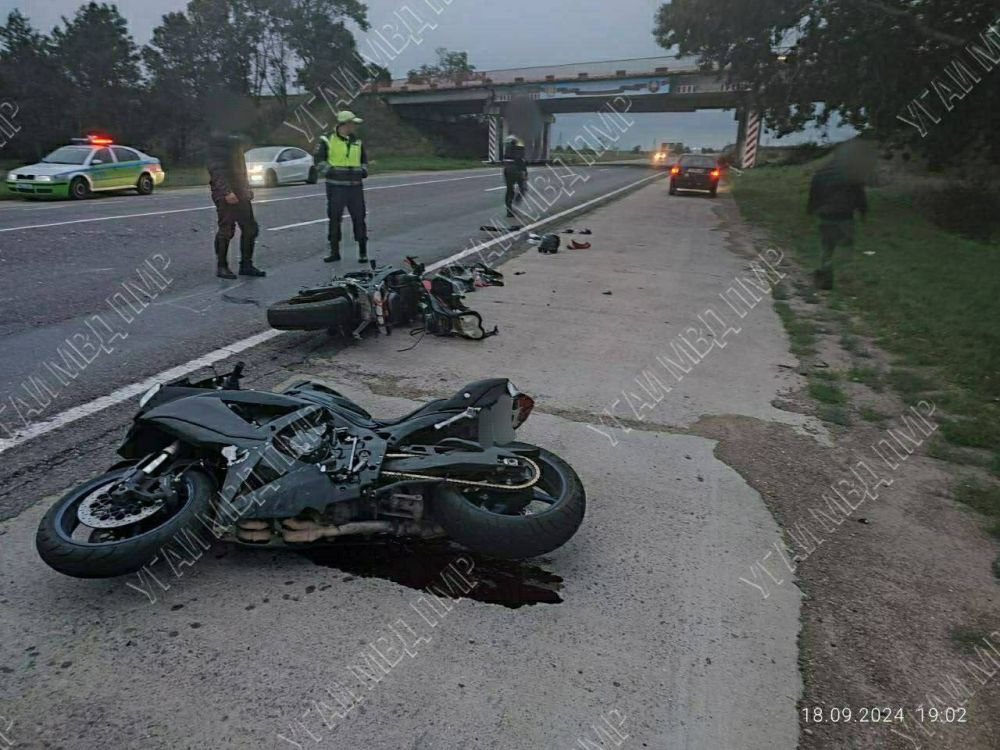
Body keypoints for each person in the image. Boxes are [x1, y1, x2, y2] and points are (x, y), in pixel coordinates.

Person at [806, 141, 872, 290]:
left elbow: (814, 194)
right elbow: (860, 195)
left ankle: (826, 275)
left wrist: (811, 211)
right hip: (845, 216)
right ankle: (844, 280)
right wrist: (863, 212)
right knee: (845, 247)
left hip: (826, 216)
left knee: (826, 248)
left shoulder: (821, 172)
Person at [208, 131, 265, 279]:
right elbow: (216, 170)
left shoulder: (236, 140)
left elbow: (240, 169)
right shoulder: (219, 139)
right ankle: (222, 266)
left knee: (250, 228)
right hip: (226, 193)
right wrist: (227, 192)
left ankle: (246, 264)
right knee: (226, 230)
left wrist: (246, 188)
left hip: (240, 191)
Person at [315, 111, 369, 263]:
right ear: (344, 124)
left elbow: (364, 159)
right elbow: (319, 161)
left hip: (355, 187)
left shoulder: (357, 141)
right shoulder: (326, 139)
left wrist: (363, 171)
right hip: (336, 187)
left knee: (359, 218)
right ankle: (334, 251)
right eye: (352, 123)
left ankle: (363, 252)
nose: (354, 127)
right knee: (334, 219)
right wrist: (332, 172)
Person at [502, 134, 528, 218]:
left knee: (509, 190)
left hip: (507, 171)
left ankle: (509, 211)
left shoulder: (506, 150)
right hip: (517, 171)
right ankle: (516, 203)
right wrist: (524, 172)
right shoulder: (519, 147)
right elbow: (521, 160)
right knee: (523, 188)